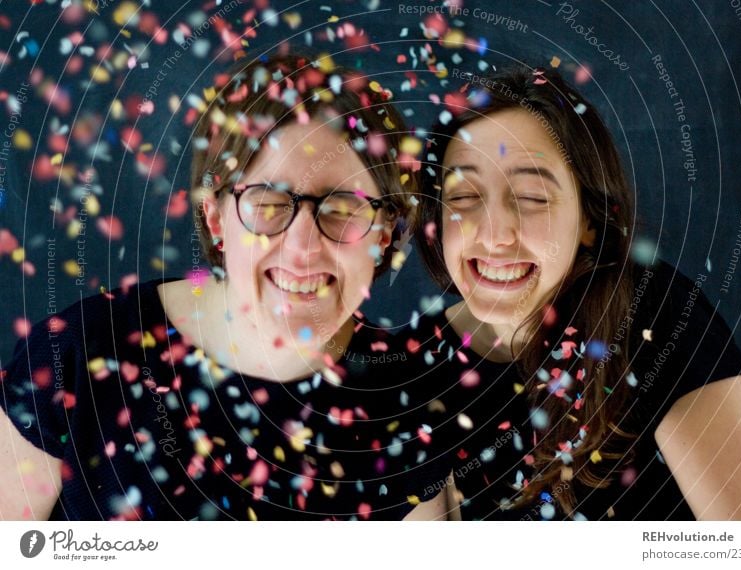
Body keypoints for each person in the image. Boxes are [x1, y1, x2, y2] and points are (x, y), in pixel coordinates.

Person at [0, 54, 442, 520]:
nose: (302, 247)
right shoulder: (75, 354)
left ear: (385, 233)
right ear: (215, 219)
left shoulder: (415, 408)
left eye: (345, 207)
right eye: (268, 202)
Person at [408, 65, 741, 520]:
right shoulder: (420, 368)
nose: (494, 235)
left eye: (531, 196)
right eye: (463, 196)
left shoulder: (657, 318)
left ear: (589, 219)